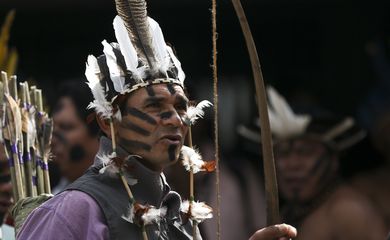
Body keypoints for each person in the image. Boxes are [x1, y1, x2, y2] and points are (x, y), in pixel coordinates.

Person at [17, 1, 296, 240]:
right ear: (107, 121)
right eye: (153, 105)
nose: (175, 119)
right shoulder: (77, 209)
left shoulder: (178, 214)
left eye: (179, 106)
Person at [240, 86, 387, 240]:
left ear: (333, 161)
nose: (292, 164)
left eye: (305, 152)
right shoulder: (292, 211)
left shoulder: (346, 211)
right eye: (283, 153)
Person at [50, 81, 100, 193]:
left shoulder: (110, 195)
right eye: (52, 128)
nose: (52, 141)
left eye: (66, 127)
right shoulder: (55, 191)